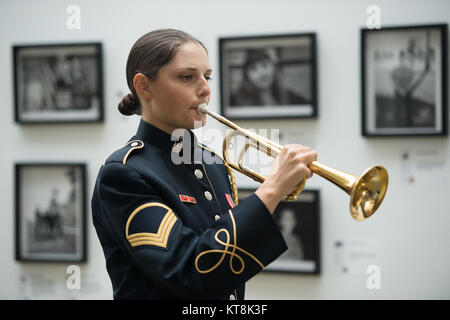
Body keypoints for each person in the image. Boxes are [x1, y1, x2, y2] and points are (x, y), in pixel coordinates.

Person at [91, 29, 317, 300]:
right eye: (187, 77)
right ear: (144, 86)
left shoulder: (213, 163)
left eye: (207, 76)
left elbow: (227, 272)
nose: (206, 89)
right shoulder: (124, 174)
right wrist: (272, 189)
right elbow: (192, 273)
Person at [230, 48, 309, 107]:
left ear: (273, 67)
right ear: (247, 76)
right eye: (253, 69)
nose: (262, 73)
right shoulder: (235, 102)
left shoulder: (290, 97)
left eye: (265, 65)